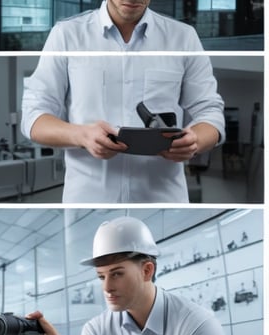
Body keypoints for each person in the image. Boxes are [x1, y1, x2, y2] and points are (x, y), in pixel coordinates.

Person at [21, 1, 224, 203]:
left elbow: (210, 112)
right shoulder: (66, 34)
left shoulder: (183, 38)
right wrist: (81, 136)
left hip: (163, 200)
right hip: (88, 201)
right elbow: (33, 116)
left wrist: (195, 140)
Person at [23, 216, 233, 335]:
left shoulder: (197, 325)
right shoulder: (96, 331)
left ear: (147, 270)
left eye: (117, 274)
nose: (106, 288)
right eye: (101, 277)